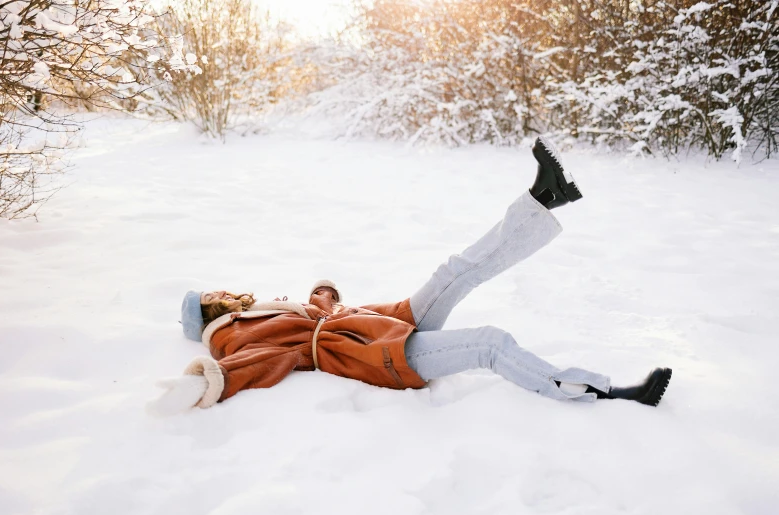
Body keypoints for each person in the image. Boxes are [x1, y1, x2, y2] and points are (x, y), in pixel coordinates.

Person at [148, 137, 671, 415]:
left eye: (211, 290)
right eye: (206, 299)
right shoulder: (232, 337)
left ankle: (544, 198)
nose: (217, 292)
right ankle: (603, 392)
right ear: (208, 316)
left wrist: (322, 294)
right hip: (374, 355)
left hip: (381, 321)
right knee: (490, 343)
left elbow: (316, 311)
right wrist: (202, 385)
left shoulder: (258, 307)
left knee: (455, 272)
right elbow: (263, 362)